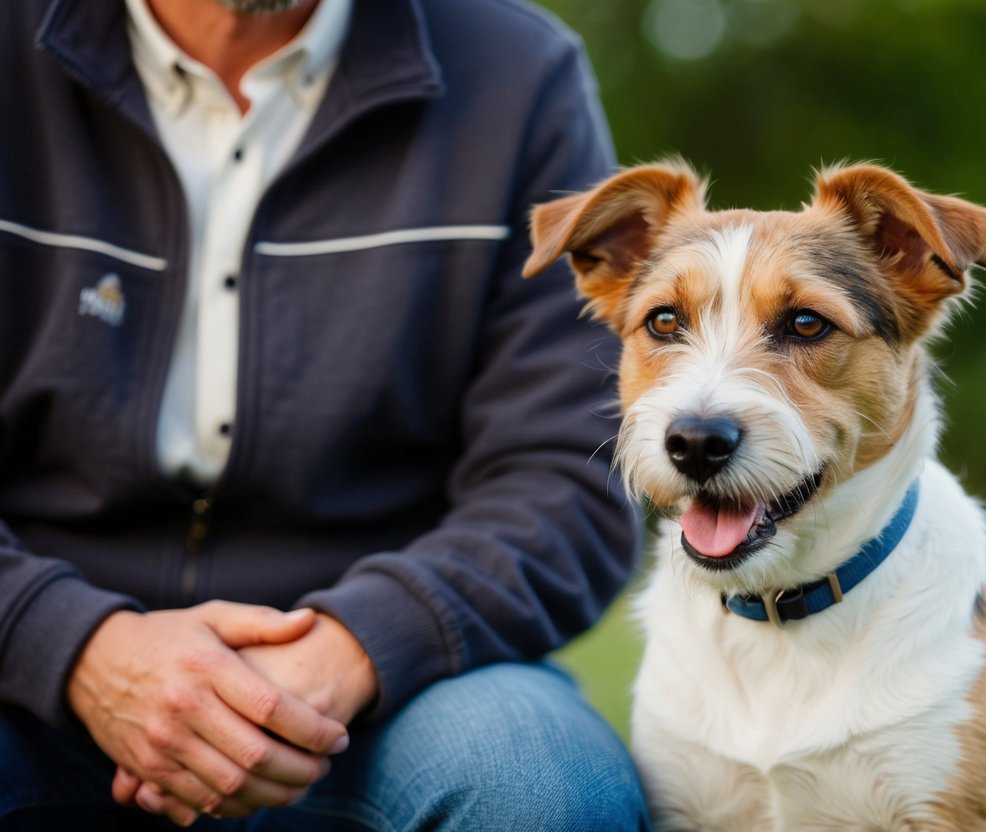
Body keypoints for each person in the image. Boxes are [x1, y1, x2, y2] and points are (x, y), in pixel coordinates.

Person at [0, 0, 650, 828]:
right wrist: (76, 648)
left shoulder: (517, 73)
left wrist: (350, 649)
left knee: (540, 787)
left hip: (391, 686)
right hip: (29, 674)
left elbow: (567, 477)